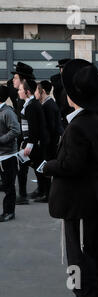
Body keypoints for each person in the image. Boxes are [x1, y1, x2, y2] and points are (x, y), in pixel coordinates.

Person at [42, 59, 98, 297]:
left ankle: (85, 295)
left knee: (79, 257)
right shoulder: (96, 122)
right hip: (93, 201)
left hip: (80, 204)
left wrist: (47, 166)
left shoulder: (78, 127)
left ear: (73, 97)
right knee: (97, 254)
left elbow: (71, 165)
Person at [17, 79, 50, 203]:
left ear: (27, 92)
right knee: (39, 167)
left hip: (32, 143)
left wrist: (28, 146)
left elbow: (34, 128)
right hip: (33, 142)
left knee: (27, 168)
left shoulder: (31, 106)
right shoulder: (30, 104)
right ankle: (44, 192)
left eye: (20, 90)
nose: (18, 92)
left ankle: (24, 195)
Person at [9, 62, 35, 205]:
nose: (13, 80)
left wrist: (28, 143)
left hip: (27, 139)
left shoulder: (28, 102)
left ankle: (25, 194)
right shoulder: (20, 97)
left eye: (16, 77)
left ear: (23, 81)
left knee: (28, 167)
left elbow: (32, 124)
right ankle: (24, 193)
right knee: (24, 167)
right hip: (23, 138)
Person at [0, 86, 21, 222]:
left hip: (8, 156)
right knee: (6, 185)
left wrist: (0, 140)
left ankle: (9, 212)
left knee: (9, 188)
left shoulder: (7, 112)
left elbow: (15, 130)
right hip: (1, 156)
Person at [35, 81, 64, 161]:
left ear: (43, 91)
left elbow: (51, 127)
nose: (35, 93)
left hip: (50, 144)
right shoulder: (49, 104)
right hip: (51, 143)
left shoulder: (48, 106)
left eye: (37, 90)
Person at [50, 58, 73, 128]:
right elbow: (58, 87)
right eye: (61, 68)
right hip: (60, 110)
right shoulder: (56, 79)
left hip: (71, 109)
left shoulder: (73, 77)